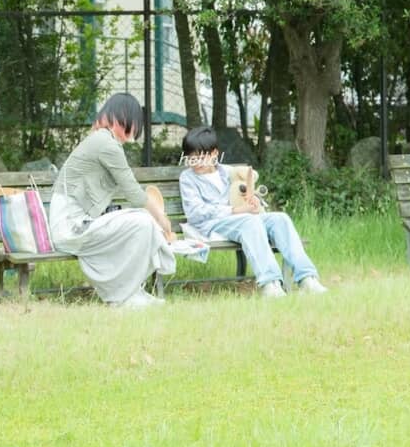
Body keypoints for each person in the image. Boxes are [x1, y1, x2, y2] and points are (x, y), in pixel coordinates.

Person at [49, 93, 177, 308]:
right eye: (134, 124)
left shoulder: (101, 140)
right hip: (71, 226)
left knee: (140, 222)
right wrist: (163, 221)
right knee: (143, 221)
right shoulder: (104, 142)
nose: (134, 131)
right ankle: (124, 296)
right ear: (122, 119)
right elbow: (135, 194)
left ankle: (130, 292)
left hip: (75, 223)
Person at [178, 125, 327, 297]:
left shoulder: (228, 172)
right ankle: (270, 283)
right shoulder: (188, 178)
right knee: (249, 221)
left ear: (214, 153)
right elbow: (195, 213)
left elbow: (244, 193)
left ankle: (307, 278)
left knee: (280, 219)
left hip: (238, 221)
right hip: (211, 225)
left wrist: (254, 202)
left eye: (200, 157)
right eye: (191, 158)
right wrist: (234, 210)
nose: (195, 163)